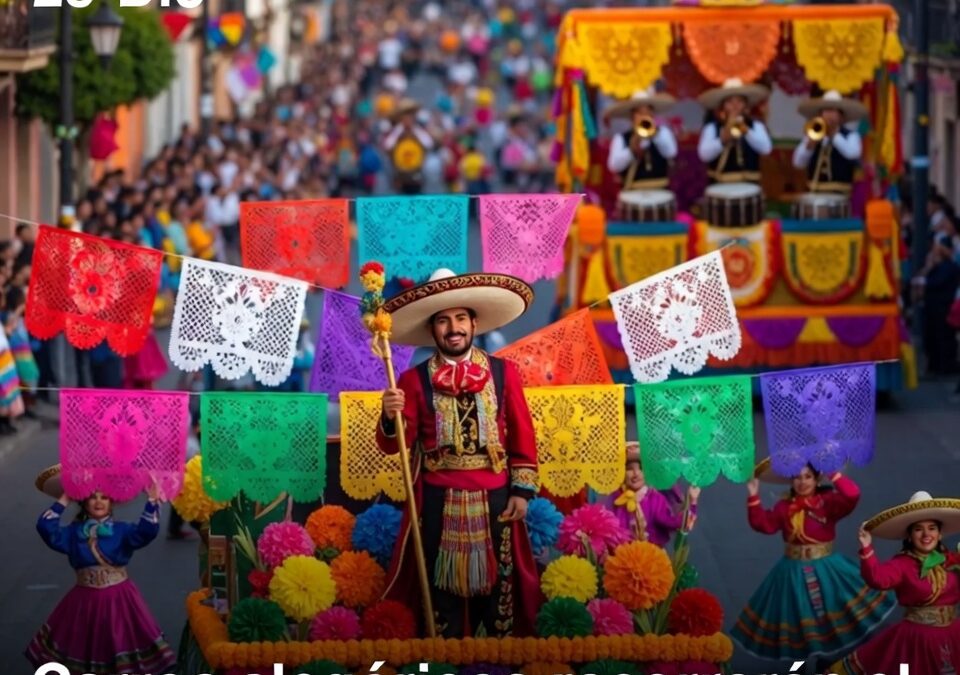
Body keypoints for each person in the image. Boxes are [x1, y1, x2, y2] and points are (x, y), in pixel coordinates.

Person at [377, 268, 542, 638]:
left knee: (499, 587)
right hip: (438, 497)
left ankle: (496, 658)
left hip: (497, 495)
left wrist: (521, 491)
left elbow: (522, 433)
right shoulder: (411, 380)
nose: (454, 328)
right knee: (442, 590)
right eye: (443, 321)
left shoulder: (504, 373)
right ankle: (445, 657)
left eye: (460, 319)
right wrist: (389, 417)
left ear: (474, 323)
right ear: (432, 330)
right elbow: (394, 445)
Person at [731, 459, 895, 662]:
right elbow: (763, 524)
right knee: (801, 619)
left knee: (833, 615)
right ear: (791, 481)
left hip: (827, 568)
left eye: (808, 477)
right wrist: (753, 494)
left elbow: (852, 495)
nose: (802, 482)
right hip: (793, 573)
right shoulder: (785, 507)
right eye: (797, 477)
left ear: (817, 479)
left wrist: (832, 473)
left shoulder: (827, 502)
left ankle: (836, 664)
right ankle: (809, 664)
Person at [26, 465, 176, 674]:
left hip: (119, 598)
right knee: (84, 645)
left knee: (118, 641)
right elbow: (45, 527)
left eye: (104, 497)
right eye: (92, 497)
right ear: (83, 502)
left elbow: (147, 531)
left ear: (111, 502)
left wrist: (152, 501)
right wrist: (66, 498)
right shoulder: (73, 533)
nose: (98, 502)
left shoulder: (123, 531)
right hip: (83, 600)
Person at [831, 491, 960, 674]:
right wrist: (866, 547)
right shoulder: (902, 563)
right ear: (909, 536)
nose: (926, 534)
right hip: (918, 640)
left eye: (932, 528)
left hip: (953, 634)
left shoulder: (950, 560)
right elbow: (877, 578)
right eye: (918, 529)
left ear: (939, 534)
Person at [603, 442, 699, 547]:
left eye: (641, 468)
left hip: (650, 553)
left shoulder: (655, 499)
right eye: (629, 469)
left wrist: (692, 501)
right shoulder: (616, 500)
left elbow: (675, 523)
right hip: (621, 553)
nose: (636, 474)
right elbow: (607, 530)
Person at [697, 78, 772, 184]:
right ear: (723, 106)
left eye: (739, 101)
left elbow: (766, 149)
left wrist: (745, 130)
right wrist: (722, 141)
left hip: (750, 186)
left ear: (745, 105)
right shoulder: (712, 127)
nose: (735, 106)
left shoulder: (756, 126)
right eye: (730, 102)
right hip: (719, 186)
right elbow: (704, 155)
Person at [792, 90, 867, 195]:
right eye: (826, 110)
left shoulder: (850, 136)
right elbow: (797, 163)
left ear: (841, 116)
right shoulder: (813, 134)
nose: (828, 114)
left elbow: (853, 154)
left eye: (832, 111)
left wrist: (833, 135)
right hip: (814, 194)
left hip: (840, 195)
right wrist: (809, 147)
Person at [605, 87, 678, 191]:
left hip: (660, 191)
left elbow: (671, 153)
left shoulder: (663, 132)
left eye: (648, 112)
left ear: (652, 114)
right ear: (632, 116)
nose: (644, 116)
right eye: (640, 113)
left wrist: (655, 136)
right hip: (632, 192)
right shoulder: (621, 138)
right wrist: (631, 150)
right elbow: (614, 166)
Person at [383, 98, 434, 194]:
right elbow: (388, 146)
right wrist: (399, 133)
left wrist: (414, 133)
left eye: (410, 116)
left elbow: (429, 143)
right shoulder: (397, 131)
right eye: (405, 116)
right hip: (399, 173)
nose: (408, 119)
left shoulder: (417, 131)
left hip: (416, 172)